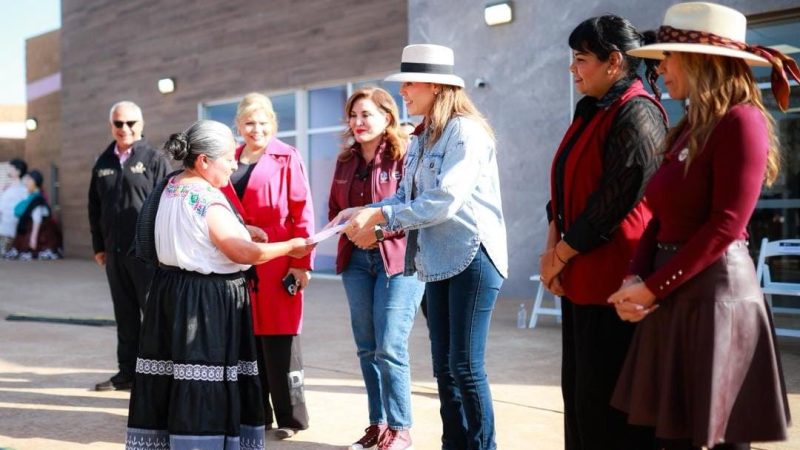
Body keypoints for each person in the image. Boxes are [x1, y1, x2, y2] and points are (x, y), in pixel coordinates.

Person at [607, 3, 796, 449]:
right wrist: (637, 275)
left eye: (669, 56)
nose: (662, 66)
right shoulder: (691, 125)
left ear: (700, 59)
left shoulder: (742, 121)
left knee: (712, 440)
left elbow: (726, 225)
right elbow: (659, 213)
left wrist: (654, 287)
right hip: (678, 297)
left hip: (716, 300)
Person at [338, 44, 508, 450]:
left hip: (473, 257)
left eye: (410, 83)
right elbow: (402, 197)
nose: (404, 92)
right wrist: (366, 211)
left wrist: (380, 223)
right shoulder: (421, 136)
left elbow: (444, 201)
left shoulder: (465, 131)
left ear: (435, 85)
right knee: (445, 370)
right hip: (436, 260)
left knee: (466, 368)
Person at [125, 120, 313, 450]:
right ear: (204, 161)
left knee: (176, 378)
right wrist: (291, 246)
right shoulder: (205, 197)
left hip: (171, 295)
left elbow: (198, 235)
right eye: (228, 158)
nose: (234, 164)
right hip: (203, 303)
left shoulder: (172, 186)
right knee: (202, 383)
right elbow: (245, 252)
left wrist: (242, 228)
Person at [538, 14, 667, 450]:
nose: (573, 70)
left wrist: (560, 256)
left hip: (618, 284)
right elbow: (562, 188)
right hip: (582, 280)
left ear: (614, 61)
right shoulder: (592, 109)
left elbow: (612, 203)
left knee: (610, 412)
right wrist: (551, 246)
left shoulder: (638, 111)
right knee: (580, 403)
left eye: (580, 59)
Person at [328, 87, 425, 450]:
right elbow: (336, 211)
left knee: (390, 346)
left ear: (387, 116)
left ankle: (401, 430)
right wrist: (352, 233)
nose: (358, 122)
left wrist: (377, 233)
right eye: (353, 115)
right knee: (367, 347)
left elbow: (417, 210)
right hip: (355, 262)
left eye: (366, 114)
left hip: (399, 260)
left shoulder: (406, 154)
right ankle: (377, 425)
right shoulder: (344, 161)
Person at [220, 92, 314, 439]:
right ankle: (255, 414)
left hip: (277, 262)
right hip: (237, 262)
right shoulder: (227, 159)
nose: (255, 129)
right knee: (247, 341)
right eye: (248, 123)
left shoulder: (287, 157)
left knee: (280, 342)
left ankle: (291, 418)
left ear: (272, 124)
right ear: (239, 126)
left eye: (262, 123)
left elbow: (303, 211)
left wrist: (301, 263)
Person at [88, 101, 171, 391]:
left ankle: (159, 376)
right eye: (119, 124)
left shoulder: (154, 158)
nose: (125, 129)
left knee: (154, 315)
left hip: (147, 254)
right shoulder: (103, 162)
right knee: (124, 315)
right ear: (111, 125)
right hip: (115, 253)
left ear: (142, 124)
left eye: (131, 123)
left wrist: (163, 249)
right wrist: (100, 245)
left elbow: (167, 204)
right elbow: (94, 206)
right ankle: (127, 373)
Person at [11, 170, 61, 260]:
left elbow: (37, 220)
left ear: (35, 181)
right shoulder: (30, 197)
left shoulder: (37, 199)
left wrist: (33, 239)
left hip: (41, 232)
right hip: (30, 229)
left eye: (28, 180)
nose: (26, 183)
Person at [0, 159, 29, 257]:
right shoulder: (8, 187)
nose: (9, 170)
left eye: (11, 168)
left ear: (18, 171)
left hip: (11, 224)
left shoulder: (23, 189)